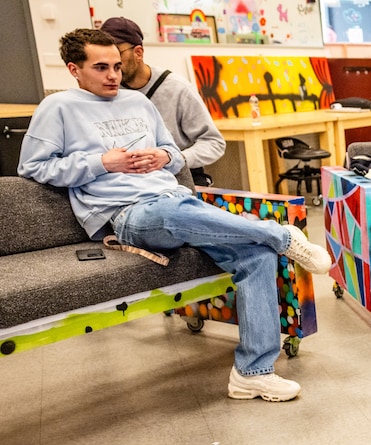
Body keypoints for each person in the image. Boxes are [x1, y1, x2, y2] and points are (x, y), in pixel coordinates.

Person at [19, 29, 332, 402]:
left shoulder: (138, 102)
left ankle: (252, 373)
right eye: (101, 67)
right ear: (74, 69)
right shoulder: (58, 108)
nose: (113, 76)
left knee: (256, 255)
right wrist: (102, 161)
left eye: (117, 66)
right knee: (176, 212)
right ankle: (281, 236)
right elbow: (33, 167)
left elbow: (173, 150)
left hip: (174, 199)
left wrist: (164, 157)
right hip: (126, 215)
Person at [99, 17, 225, 186]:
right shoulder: (106, 90)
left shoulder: (178, 89)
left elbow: (214, 142)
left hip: (178, 176)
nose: (112, 65)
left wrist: (172, 158)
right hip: (128, 181)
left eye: (118, 54)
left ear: (138, 53)